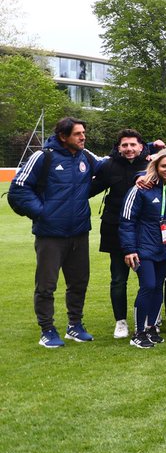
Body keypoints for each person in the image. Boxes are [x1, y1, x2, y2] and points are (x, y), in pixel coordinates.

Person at [9, 116, 102, 347]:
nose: (83, 137)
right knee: (46, 285)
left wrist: (147, 152)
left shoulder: (86, 156)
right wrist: (43, 213)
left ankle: (75, 325)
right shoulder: (43, 156)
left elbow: (109, 165)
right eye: (78, 134)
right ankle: (47, 330)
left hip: (79, 233)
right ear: (63, 136)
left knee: (79, 282)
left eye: (83, 133)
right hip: (50, 235)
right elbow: (18, 190)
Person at [119, 150, 166, 349]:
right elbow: (127, 220)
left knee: (158, 287)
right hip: (143, 248)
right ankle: (138, 332)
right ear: (156, 167)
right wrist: (129, 249)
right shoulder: (141, 188)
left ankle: (151, 327)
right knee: (148, 285)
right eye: (164, 166)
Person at [89, 129, 155, 339]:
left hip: (145, 231)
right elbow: (88, 190)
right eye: (124, 145)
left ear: (141, 146)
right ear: (118, 147)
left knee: (148, 278)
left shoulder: (151, 165)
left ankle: (147, 317)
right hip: (115, 228)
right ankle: (121, 321)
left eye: (133, 145)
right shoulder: (108, 166)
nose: (129, 149)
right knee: (118, 278)